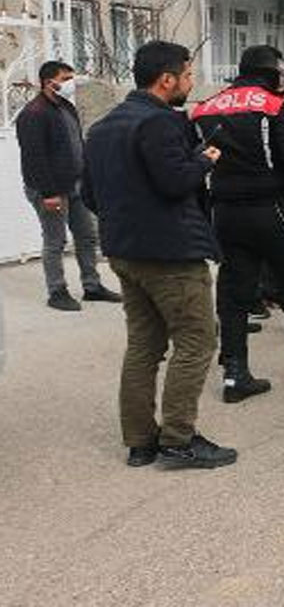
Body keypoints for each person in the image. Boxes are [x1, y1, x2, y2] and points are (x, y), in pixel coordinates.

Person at [82, 40, 236, 469]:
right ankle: (178, 440)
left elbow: (89, 195)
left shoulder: (102, 128)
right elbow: (173, 182)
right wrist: (204, 161)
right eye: (187, 75)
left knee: (144, 346)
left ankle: (140, 442)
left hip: (124, 253)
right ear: (166, 79)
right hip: (171, 255)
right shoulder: (160, 123)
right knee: (197, 342)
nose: (191, 82)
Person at [190, 45, 284, 404]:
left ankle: (235, 373)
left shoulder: (204, 108)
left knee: (233, 292)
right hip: (273, 209)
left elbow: (193, 166)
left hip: (225, 212)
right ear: (269, 72)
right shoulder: (274, 106)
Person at [15, 60, 120, 311]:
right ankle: (57, 291)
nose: (70, 83)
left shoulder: (65, 107)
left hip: (75, 185)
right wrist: (49, 193)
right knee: (55, 241)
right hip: (50, 190)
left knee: (86, 236)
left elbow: (76, 145)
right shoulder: (33, 114)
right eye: (66, 78)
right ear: (48, 82)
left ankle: (92, 286)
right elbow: (33, 158)